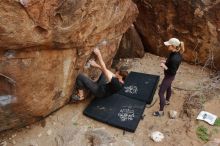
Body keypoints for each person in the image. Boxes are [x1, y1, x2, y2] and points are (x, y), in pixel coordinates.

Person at [153, 38, 185, 116]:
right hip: (169, 77)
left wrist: (164, 66)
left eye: (169, 45)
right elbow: (170, 62)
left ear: (173, 46)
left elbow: (172, 71)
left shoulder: (175, 59)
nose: (167, 46)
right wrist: (166, 62)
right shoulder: (175, 53)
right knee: (168, 87)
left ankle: (161, 112)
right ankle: (167, 101)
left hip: (169, 76)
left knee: (160, 93)